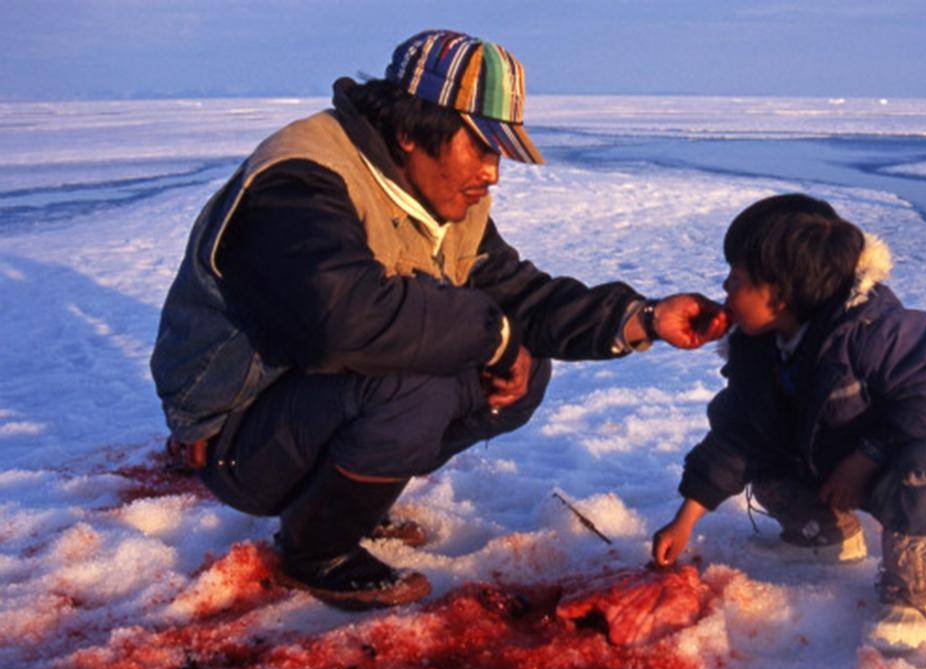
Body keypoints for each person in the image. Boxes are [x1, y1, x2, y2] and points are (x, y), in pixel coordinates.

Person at [151, 30, 727, 609]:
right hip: (239, 438)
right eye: (481, 147)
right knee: (414, 378)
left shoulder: (442, 199)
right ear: (408, 131)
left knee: (521, 363)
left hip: (308, 412)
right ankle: (314, 549)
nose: (493, 173)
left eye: (498, 153)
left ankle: (346, 503)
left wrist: (643, 319)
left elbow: (515, 295)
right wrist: (491, 334)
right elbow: (344, 322)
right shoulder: (302, 181)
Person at [651, 194, 926, 652]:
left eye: (738, 278)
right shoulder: (761, 348)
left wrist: (868, 456)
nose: (724, 286)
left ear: (782, 295)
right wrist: (685, 518)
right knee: (763, 443)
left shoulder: (872, 332)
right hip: (828, 457)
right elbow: (736, 436)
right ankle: (822, 533)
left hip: (906, 462)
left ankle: (922, 590)